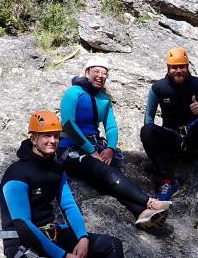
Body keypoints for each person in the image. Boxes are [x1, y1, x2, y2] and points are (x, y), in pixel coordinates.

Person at [59, 57, 171, 229]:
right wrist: (91, 151)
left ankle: (140, 212)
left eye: (104, 73)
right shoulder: (73, 92)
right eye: (96, 71)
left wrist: (110, 148)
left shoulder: (104, 99)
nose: (100, 76)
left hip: (94, 148)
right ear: (87, 72)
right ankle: (148, 202)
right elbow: (68, 124)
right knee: (103, 171)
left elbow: (111, 126)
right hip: (70, 148)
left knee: (105, 177)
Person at [0, 111, 125, 258]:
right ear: (33, 139)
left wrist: (82, 238)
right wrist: (63, 256)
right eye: (47, 135)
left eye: (56, 136)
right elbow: (23, 225)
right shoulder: (16, 174)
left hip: (52, 234)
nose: (53, 140)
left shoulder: (56, 169)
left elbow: (68, 205)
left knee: (111, 245)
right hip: (22, 243)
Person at [140, 47, 198, 200]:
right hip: (173, 138)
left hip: (196, 134)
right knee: (146, 130)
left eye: (182, 67)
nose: (178, 70)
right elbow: (149, 116)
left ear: (187, 67)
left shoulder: (197, 84)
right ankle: (167, 180)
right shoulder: (158, 88)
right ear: (168, 68)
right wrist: (152, 146)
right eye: (174, 67)